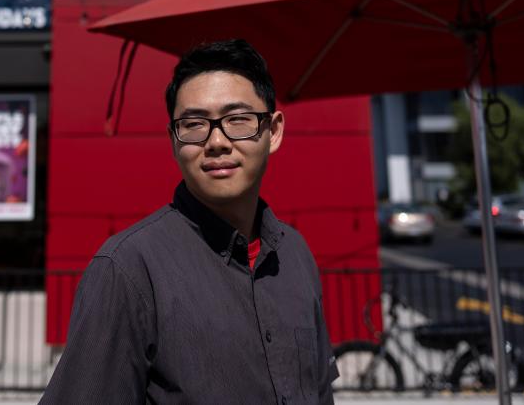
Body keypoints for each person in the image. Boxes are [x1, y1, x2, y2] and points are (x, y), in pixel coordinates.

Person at [41, 39, 337, 404]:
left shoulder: (295, 254)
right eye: (194, 124)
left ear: (272, 131)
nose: (216, 141)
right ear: (173, 139)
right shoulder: (129, 269)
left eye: (237, 120)